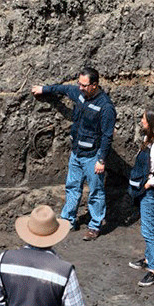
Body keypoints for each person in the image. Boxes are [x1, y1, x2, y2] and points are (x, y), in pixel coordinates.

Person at [31, 66, 116, 241]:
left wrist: (101, 160)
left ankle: (94, 226)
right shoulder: (79, 93)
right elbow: (62, 89)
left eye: (84, 85)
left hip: (93, 156)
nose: (80, 88)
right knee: (72, 188)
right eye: (79, 84)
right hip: (76, 153)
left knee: (96, 191)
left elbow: (107, 136)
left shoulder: (105, 107)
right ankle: (68, 220)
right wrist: (44, 89)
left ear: (94, 85)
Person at [127, 107, 154, 287]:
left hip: (151, 193)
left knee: (149, 230)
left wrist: (148, 184)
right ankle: (148, 258)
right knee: (146, 227)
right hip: (146, 190)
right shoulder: (149, 140)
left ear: (151, 123)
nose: (141, 122)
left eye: (144, 120)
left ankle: (153, 269)